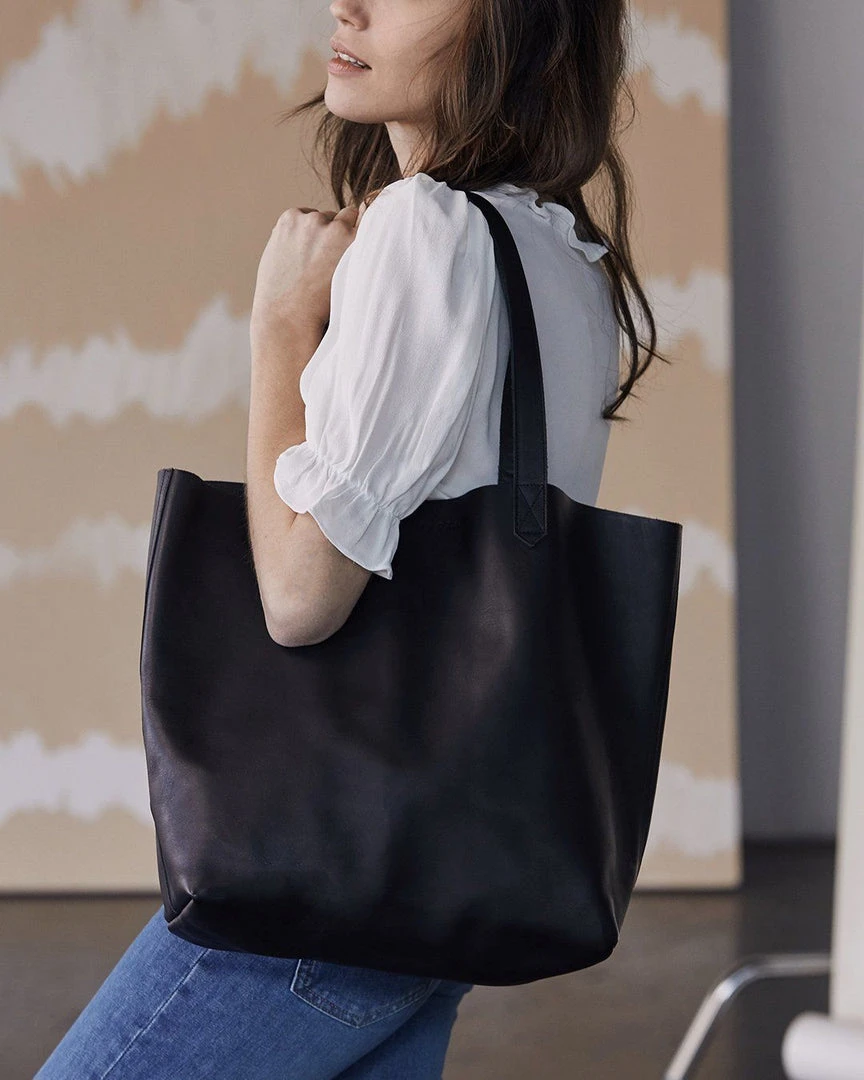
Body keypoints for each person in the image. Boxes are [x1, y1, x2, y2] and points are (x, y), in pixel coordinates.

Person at [35, 0, 665, 1074]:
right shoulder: (560, 252)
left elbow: (300, 595)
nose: (349, 5)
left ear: (515, 22)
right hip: (441, 873)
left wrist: (280, 327)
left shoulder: (426, 231)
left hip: (319, 886)